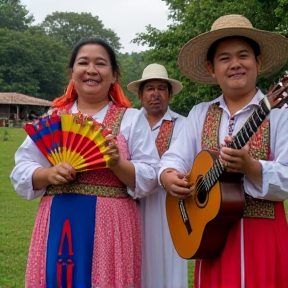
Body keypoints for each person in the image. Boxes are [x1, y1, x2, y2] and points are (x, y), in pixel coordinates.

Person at [10, 37, 159, 288]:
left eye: (100, 63)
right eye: (83, 63)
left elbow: (150, 175)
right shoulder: (54, 119)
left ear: (114, 75)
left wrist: (117, 163)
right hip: (58, 220)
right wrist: (48, 175)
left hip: (110, 226)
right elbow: (21, 169)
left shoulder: (132, 119)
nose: (91, 70)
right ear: (72, 73)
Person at [159, 14, 288, 288]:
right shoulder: (199, 113)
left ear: (259, 62)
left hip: (262, 238)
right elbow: (174, 157)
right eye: (224, 58)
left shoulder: (280, 115)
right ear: (211, 67)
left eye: (243, 55)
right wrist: (168, 175)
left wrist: (252, 168)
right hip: (211, 237)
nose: (235, 64)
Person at [127, 63, 188, 288]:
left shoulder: (183, 125)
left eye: (161, 88)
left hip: (168, 207)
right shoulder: (128, 124)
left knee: (168, 267)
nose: (155, 94)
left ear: (170, 94)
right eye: (150, 88)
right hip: (131, 205)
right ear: (140, 95)